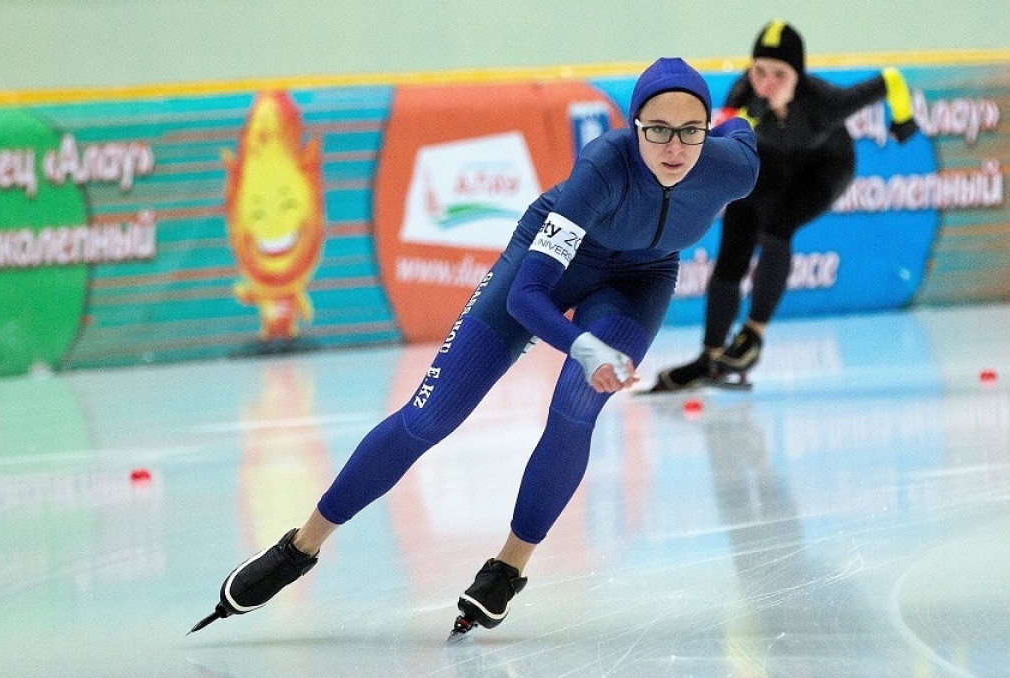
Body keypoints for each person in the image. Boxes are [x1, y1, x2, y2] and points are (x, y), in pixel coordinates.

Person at [189, 57, 760, 637]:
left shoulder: (731, 167)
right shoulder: (602, 170)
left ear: (706, 131)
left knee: (575, 410)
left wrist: (751, 116)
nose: (674, 146)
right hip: (546, 271)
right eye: (656, 129)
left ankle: (507, 571)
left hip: (639, 280)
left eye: (690, 130)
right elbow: (528, 297)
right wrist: (581, 346)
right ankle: (300, 549)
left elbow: (744, 129)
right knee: (428, 417)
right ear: (634, 126)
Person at [649, 20, 919, 392]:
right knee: (737, 229)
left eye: (779, 73)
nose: (766, 82)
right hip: (772, 165)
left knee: (777, 226)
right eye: (759, 71)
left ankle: (753, 335)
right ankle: (710, 355)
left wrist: (903, 119)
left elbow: (890, 79)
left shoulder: (825, 103)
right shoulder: (746, 93)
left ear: (798, 75)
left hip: (824, 169)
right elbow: (723, 133)